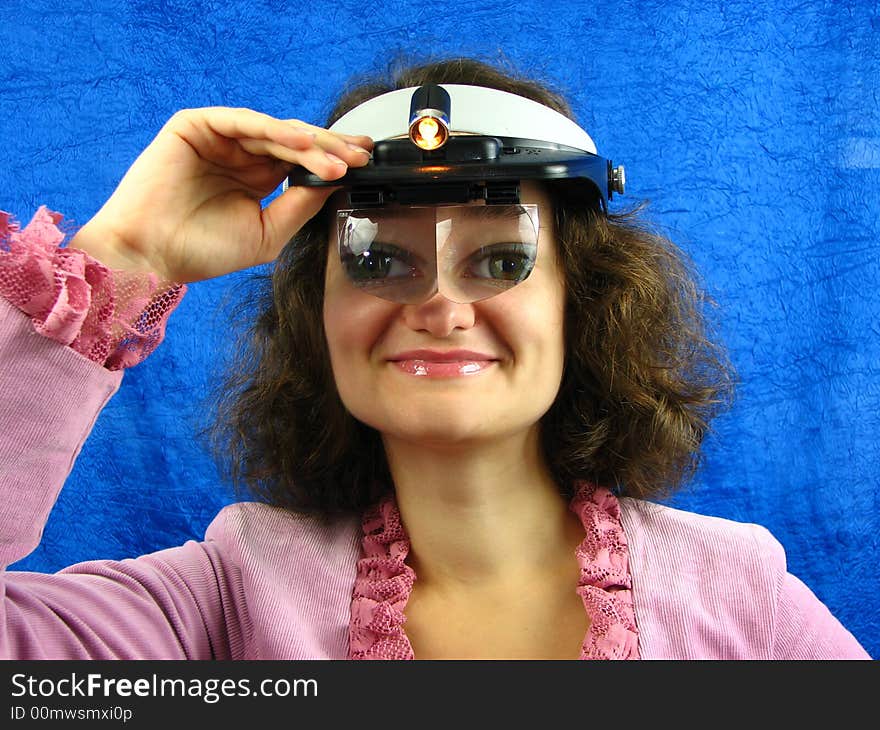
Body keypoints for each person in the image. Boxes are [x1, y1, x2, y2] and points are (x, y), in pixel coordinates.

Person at [0, 56, 870, 660]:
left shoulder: (735, 590)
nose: (441, 306)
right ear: (320, 314)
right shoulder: (222, 598)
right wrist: (126, 257)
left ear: (586, 303)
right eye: (380, 260)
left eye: (502, 259)